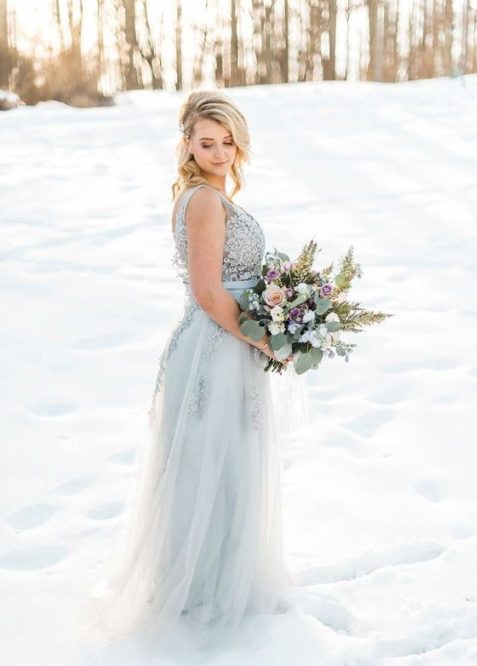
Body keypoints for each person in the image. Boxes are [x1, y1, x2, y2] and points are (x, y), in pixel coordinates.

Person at [80, 89, 298, 659]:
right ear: (187, 145)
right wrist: (267, 340)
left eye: (229, 141)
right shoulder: (203, 201)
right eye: (208, 142)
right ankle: (202, 594)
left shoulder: (213, 194)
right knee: (210, 465)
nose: (221, 152)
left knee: (227, 464)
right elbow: (207, 293)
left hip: (229, 345)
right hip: (215, 347)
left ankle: (224, 580)